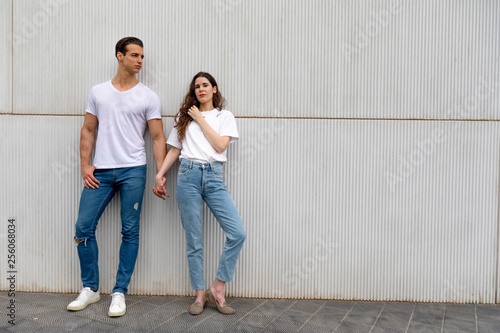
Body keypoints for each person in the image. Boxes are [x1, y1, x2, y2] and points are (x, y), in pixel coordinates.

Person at [67, 37, 167, 317]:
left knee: (130, 231)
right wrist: (85, 166)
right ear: (119, 56)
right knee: (83, 227)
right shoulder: (98, 92)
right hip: (101, 171)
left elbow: (158, 137)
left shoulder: (148, 96)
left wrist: (160, 173)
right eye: (134, 55)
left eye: (142, 56)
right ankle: (90, 288)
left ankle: (119, 292)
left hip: (134, 170)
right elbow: (88, 130)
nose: (140, 61)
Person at [153, 72, 246, 315]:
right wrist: (160, 173)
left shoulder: (224, 116)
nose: (201, 89)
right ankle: (198, 295)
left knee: (237, 233)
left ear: (214, 89)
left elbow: (220, 145)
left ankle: (218, 287)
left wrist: (200, 118)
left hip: (214, 176)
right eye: (197, 87)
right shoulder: (183, 117)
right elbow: (174, 150)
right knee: (194, 240)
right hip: (187, 175)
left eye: (205, 85)